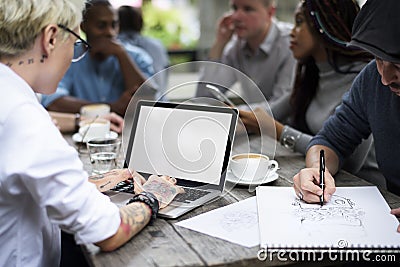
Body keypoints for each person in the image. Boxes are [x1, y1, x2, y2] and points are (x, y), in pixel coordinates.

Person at [0, 1, 183, 266]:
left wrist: (87, 184)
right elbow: (109, 231)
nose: (76, 55)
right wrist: (153, 194)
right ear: (51, 38)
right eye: (76, 43)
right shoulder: (25, 119)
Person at [291, 0, 400, 231]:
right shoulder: (372, 80)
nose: (385, 78)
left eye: (398, 66)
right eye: (379, 59)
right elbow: (331, 141)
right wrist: (316, 169)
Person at [239, 0, 377, 178]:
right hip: (323, 180)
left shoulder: (364, 78)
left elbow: (349, 161)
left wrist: (278, 131)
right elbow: (269, 111)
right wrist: (232, 113)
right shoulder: (312, 76)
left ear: (324, 25)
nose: (292, 32)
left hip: (369, 192)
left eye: (299, 22)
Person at [41, 0, 155, 116]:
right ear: (83, 26)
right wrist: (110, 108)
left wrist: (122, 55)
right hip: (81, 132)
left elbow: (149, 99)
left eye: (114, 25)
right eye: (101, 26)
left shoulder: (137, 57)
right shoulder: (68, 57)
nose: (110, 32)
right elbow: (53, 101)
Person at [196, 0, 296, 105]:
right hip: (250, 119)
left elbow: (278, 108)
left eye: (248, 9)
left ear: (270, 12)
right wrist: (220, 42)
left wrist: (235, 113)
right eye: (234, 8)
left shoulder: (290, 43)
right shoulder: (236, 47)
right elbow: (204, 97)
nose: (236, 17)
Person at [118, 5, 170, 100]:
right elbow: (164, 80)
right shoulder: (157, 45)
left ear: (117, 24)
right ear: (141, 23)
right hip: (161, 105)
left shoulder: (115, 48)